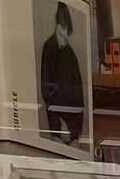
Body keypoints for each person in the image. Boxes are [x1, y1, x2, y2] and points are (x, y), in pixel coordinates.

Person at [40, 2, 85, 146]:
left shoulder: (70, 54)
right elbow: (46, 88)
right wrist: (58, 122)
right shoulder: (49, 48)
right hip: (56, 117)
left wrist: (75, 133)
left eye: (66, 35)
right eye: (61, 34)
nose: (64, 39)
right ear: (57, 27)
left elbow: (79, 93)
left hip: (72, 119)